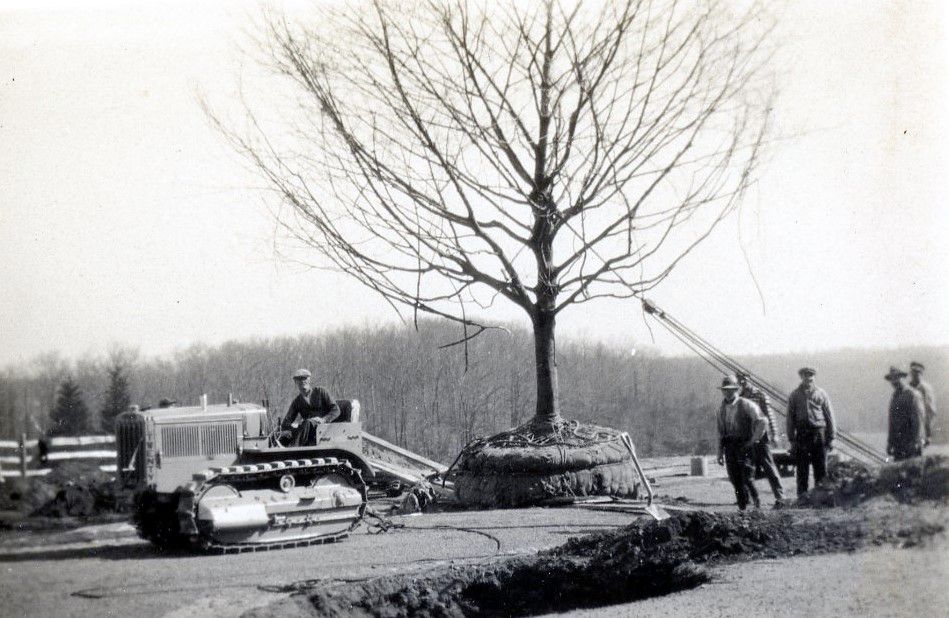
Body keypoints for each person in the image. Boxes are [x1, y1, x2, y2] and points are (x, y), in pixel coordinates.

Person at [717, 375, 766, 511]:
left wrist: (754, 439)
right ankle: (742, 508)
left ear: (736, 389)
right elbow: (720, 432)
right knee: (735, 480)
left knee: (748, 477)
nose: (728, 392)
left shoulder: (746, 404)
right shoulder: (721, 409)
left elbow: (762, 421)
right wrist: (720, 452)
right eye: (725, 390)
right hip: (729, 446)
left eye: (731, 390)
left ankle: (758, 505)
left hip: (744, 445)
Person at [737, 372, 785, 508]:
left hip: (761, 436)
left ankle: (780, 497)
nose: (742, 382)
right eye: (740, 379)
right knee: (746, 468)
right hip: (746, 437)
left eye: (744, 379)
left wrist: (774, 434)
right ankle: (748, 499)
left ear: (749, 379)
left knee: (768, 466)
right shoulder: (739, 397)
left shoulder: (760, 394)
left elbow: (770, 416)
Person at [786, 367, 836, 497]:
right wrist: (791, 439)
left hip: (819, 433)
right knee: (802, 469)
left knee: (820, 468)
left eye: (810, 376)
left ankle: (822, 498)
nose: (808, 379)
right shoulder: (794, 395)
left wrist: (831, 437)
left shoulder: (821, 394)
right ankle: (802, 498)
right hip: (802, 435)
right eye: (805, 376)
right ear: (801, 377)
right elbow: (790, 419)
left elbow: (829, 416)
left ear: (814, 378)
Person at [282, 369, 340, 446]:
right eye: (299, 379)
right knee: (301, 425)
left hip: (324, 427)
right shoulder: (297, 401)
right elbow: (286, 422)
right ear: (295, 382)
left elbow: (336, 410)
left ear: (309, 380)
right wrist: (289, 430)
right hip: (308, 431)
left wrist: (324, 419)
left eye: (304, 378)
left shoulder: (320, 392)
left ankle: (293, 449)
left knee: (307, 422)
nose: (302, 381)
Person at [885, 366, 926, 461]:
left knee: (913, 473)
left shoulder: (912, 395)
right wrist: (890, 443)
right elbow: (892, 422)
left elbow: (918, 420)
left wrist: (916, 442)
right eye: (892, 379)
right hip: (898, 446)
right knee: (899, 473)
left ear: (902, 378)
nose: (894, 381)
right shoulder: (894, 397)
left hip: (910, 444)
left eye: (896, 378)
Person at [909, 361, 937, 447]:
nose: (915, 375)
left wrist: (928, 435)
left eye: (918, 373)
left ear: (921, 374)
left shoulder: (925, 389)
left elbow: (931, 412)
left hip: (921, 429)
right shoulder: (908, 387)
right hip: (907, 430)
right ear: (910, 373)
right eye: (913, 373)